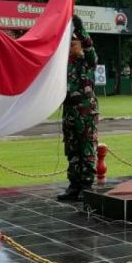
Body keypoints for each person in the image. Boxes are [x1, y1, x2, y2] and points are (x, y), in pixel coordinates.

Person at [56, 15, 99, 201]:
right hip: (70, 111)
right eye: (70, 43)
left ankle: (86, 186)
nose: (71, 46)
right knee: (72, 149)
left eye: (74, 43)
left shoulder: (88, 60)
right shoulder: (65, 65)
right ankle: (74, 185)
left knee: (86, 149)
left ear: (81, 45)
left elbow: (90, 46)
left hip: (85, 111)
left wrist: (79, 28)